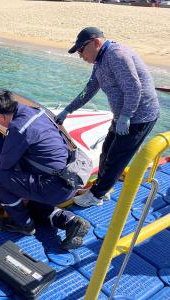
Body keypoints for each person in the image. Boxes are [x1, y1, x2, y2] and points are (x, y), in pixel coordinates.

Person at [56, 27, 159, 207]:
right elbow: (89, 90)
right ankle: (101, 189)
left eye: (81, 50)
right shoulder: (100, 60)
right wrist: (68, 110)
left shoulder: (116, 55)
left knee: (117, 157)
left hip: (140, 116)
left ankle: (96, 196)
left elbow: (134, 88)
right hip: (122, 116)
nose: (80, 55)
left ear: (96, 42)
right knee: (106, 153)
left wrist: (126, 116)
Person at [0, 90, 90, 250]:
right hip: (69, 179)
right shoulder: (37, 112)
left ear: (1, 116)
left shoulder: (19, 128)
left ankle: (24, 225)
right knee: (34, 208)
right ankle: (72, 222)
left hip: (52, 186)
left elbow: (4, 165)